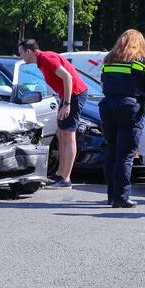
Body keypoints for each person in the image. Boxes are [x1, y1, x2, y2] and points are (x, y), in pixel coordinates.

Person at [99, 29, 145, 208]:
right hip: (129, 107)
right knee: (125, 155)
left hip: (107, 105)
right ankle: (122, 197)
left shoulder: (109, 59)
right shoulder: (143, 61)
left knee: (111, 151)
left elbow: (104, 84)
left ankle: (111, 195)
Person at [17, 39, 88, 187]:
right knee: (61, 133)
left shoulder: (46, 58)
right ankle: (59, 174)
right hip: (67, 96)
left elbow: (67, 77)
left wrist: (67, 104)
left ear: (29, 51)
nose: (20, 57)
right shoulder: (41, 61)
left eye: (21, 53)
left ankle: (66, 178)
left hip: (74, 95)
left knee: (68, 134)